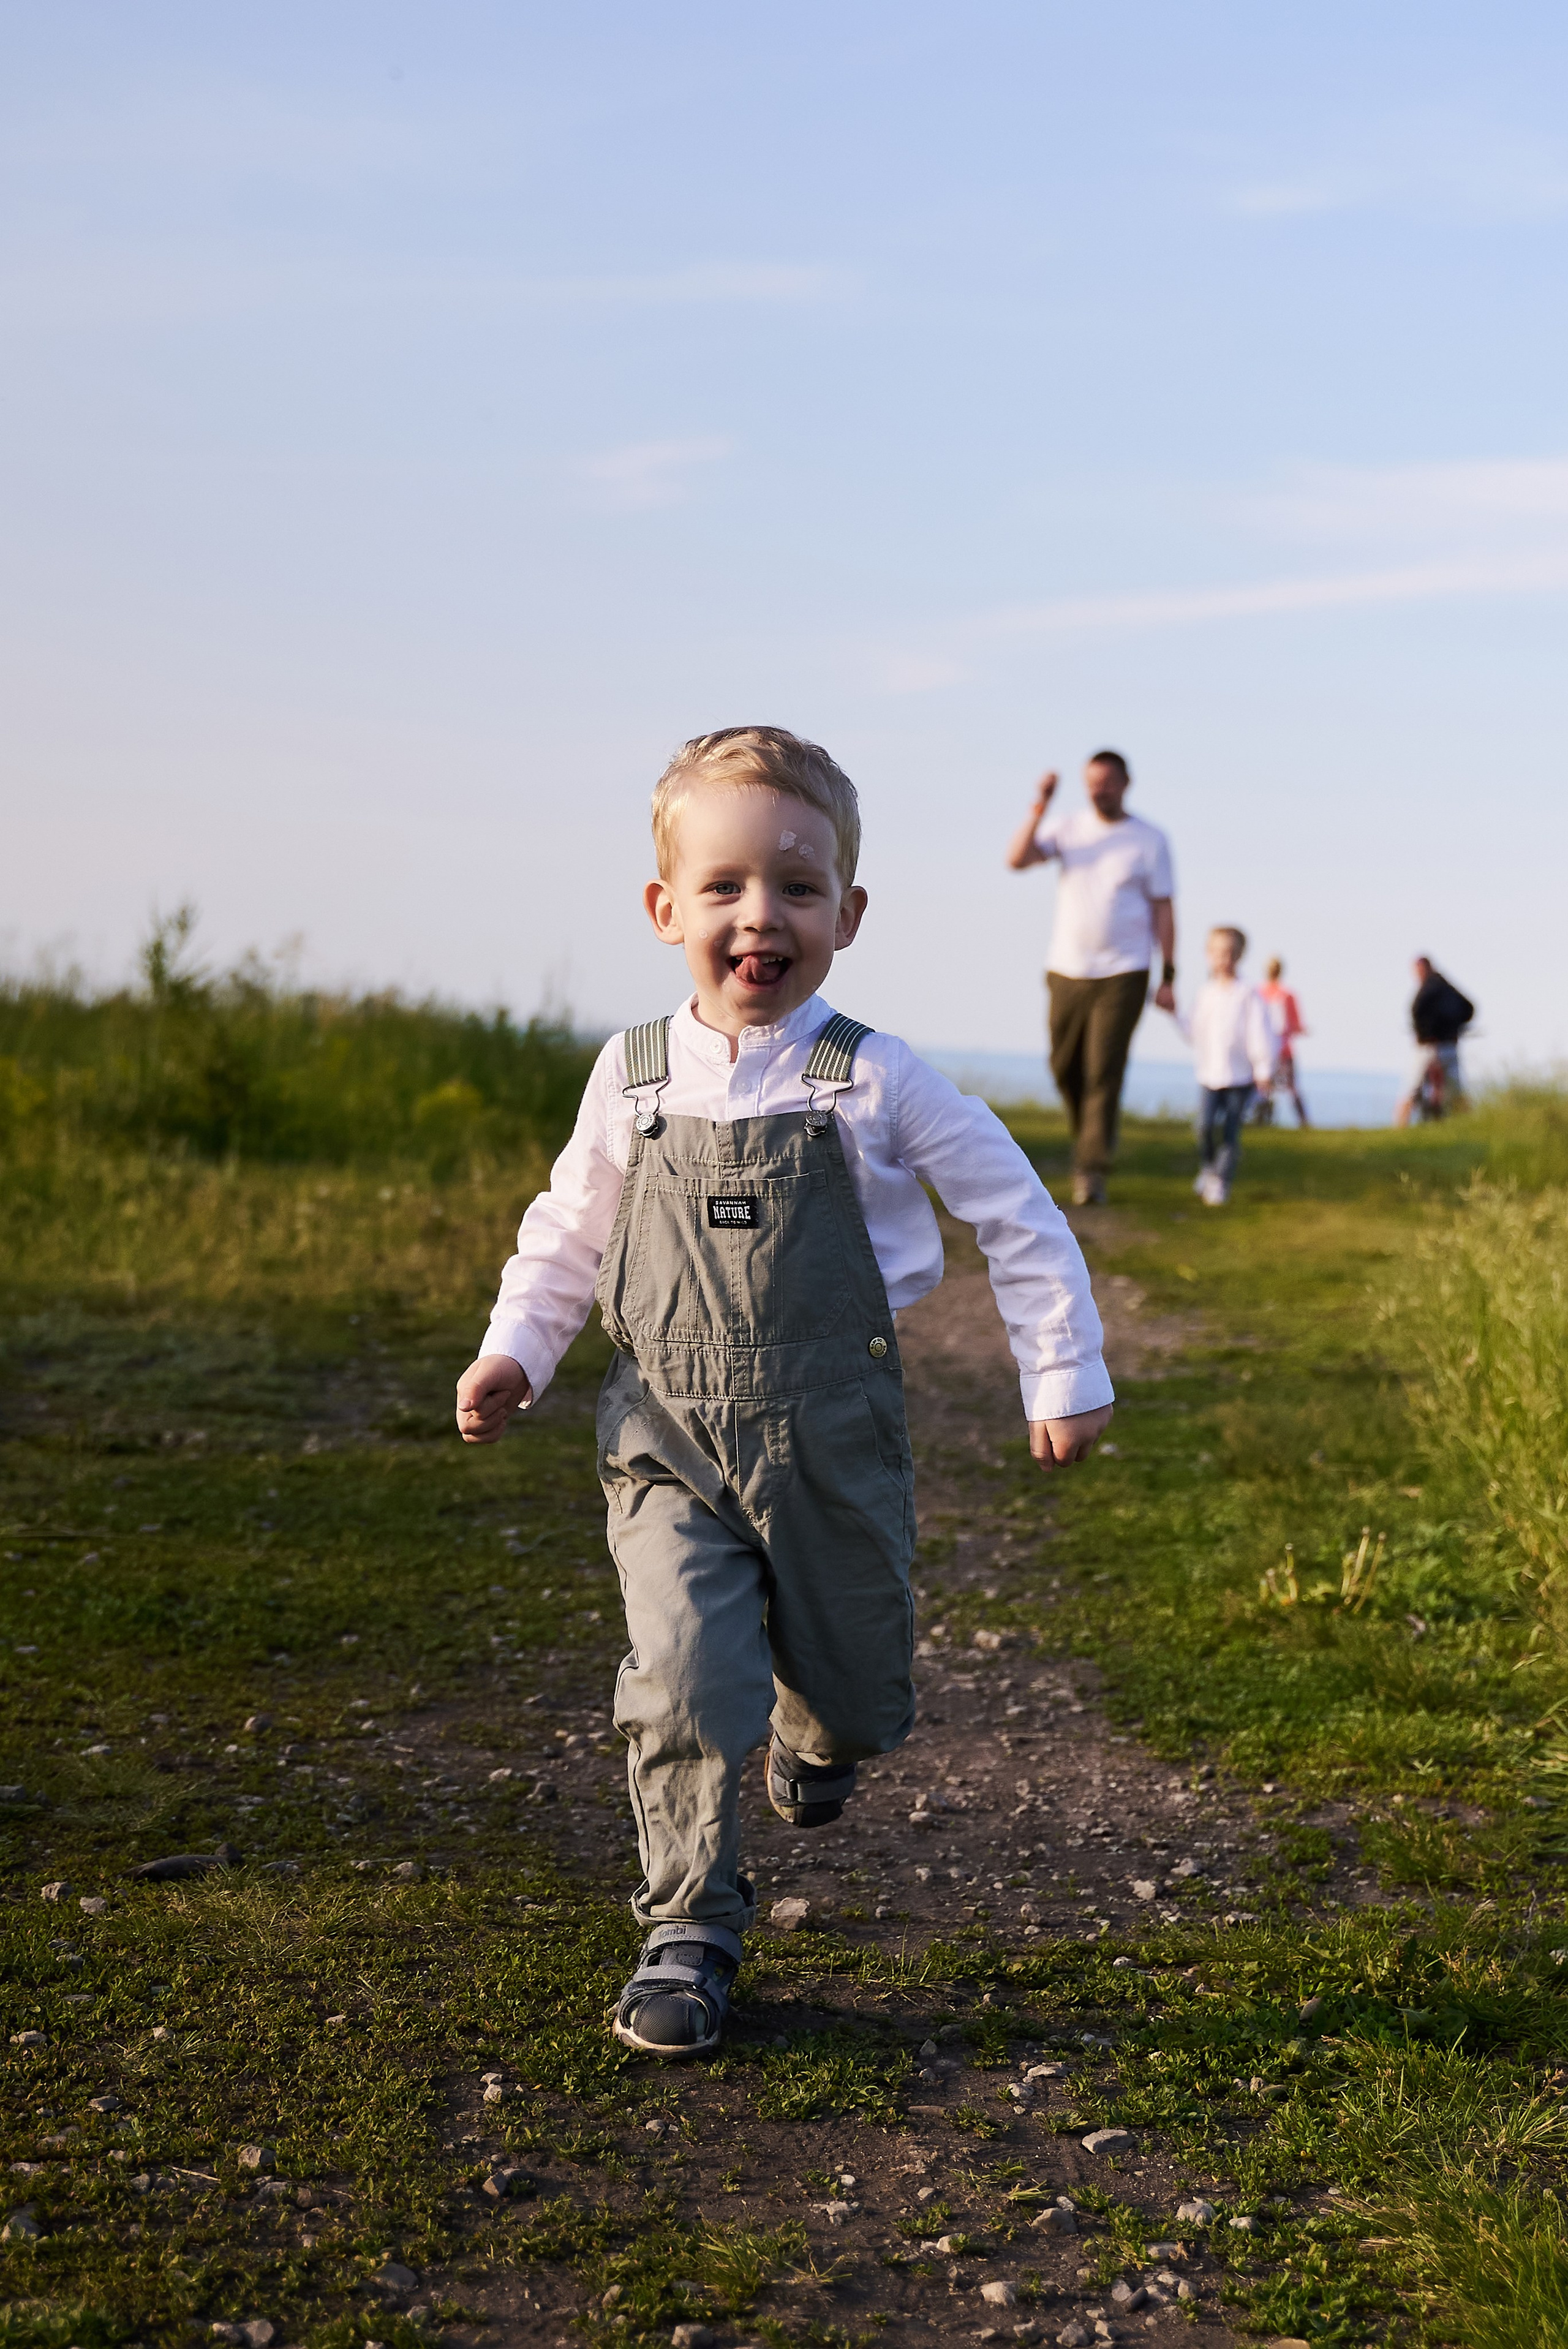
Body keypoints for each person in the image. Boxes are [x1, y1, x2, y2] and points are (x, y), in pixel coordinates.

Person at [453, 726, 1115, 2060]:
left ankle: (818, 1738)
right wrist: (515, 1347)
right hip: (666, 1434)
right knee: (686, 1683)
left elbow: (1015, 1214)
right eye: (724, 887)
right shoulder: (630, 1078)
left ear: (846, 916)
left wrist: (1062, 1368)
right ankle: (689, 1924)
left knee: (862, 1692)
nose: (761, 915)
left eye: (798, 889)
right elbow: (568, 1229)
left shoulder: (872, 1076)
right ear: (664, 910)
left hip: (832, 1436)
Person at [1006, 749, 1176, 1207]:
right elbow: (1017, 859)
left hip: (1125, 970)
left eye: (1107, 782)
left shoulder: (1150, 840)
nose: (1099, 789)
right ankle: (1089, 1139)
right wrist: (1039, 805)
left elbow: (1164, 909)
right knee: (1064, 1065)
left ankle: (1091, 1168)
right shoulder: (1068, 828)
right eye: (1092, 782)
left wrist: (1169, 974)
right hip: (1067, 968)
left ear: (1126, 783)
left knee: (1104, 1068)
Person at [1164, 926, 1275, 1205]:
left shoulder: (1248, 994)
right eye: (1217, 953)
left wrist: (1263, 1070)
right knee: (1203, 1126)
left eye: (1229, 953)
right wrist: (1173, 1013)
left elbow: (1259, 1034)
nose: (1223, 959)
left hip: (1240, 1077)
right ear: (1208, 955)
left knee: (1230, 1131)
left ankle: (1221, 1181)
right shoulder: (1206, 993)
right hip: (1209, 1075)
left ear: (1239, 956)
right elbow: (1193, 1031)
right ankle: (1208, 1168)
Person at [1395, 957, 1475, 1125]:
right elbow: (1469, 1008)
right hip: (1450, 1047)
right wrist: (1453, 1027)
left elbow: (1416, 1011)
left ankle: (1400, 1126)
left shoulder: (1428, 989)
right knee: (1456, 1090)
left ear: (1423, 969)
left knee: (1412, 1088)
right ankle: (1467, 1124)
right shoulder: (1447, 987)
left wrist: (1425, 1033)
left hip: (1429, 1049)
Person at [1257, 956, 1310, 1127]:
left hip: (1264, 1050)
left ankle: (1262, 1121)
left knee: (1265, 1088)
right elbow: (1296, 1025)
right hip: (1284, 1050)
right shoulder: (1287, 995)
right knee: (1292, 1088)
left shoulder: (1259, 993)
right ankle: (1304, 1122)